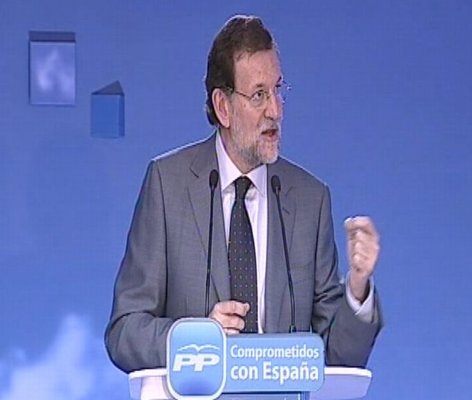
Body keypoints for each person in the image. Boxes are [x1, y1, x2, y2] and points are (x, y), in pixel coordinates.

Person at [105, 15, 382, 374]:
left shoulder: (310, 200)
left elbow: (337, 354)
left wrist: (357, 286)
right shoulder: (167, 185)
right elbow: (124, 331)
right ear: (223, 107)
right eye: (259, 95)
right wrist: (195, 339)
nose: (275, 110)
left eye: (278, 90)